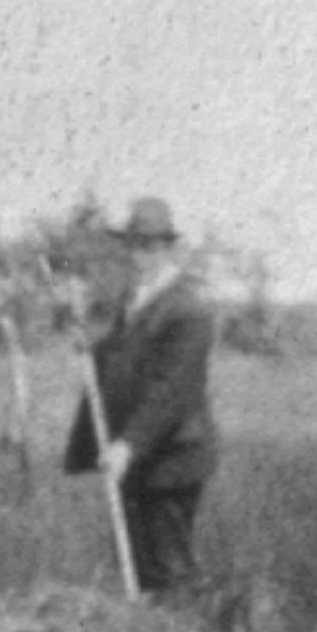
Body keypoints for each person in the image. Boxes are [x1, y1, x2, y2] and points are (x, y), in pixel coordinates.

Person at [63, 196, 220, 596]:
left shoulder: (188, 308)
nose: (137, 255)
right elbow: (123, 355)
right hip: (137, 456)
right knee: (138, 563)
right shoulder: (134, 298)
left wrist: (128, 445)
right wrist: (91, 345)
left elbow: (172, 390)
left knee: (169, 568)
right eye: (132, 245)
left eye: (148, 246)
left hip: (171, 456)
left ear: (168, 248)